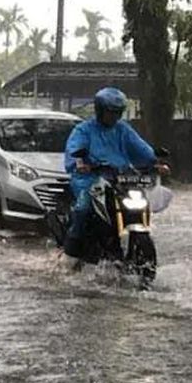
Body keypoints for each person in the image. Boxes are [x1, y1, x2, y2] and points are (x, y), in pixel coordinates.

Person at [61, 87, 164, 263]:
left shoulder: (123, 130)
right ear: (100, 110)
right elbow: (73, 151)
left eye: (118, 113)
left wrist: (154, 162)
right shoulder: (83, 130)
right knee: (83, 208)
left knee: (140, 202)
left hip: (120, 179)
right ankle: (71, 253)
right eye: (111, 112)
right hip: (89, 178)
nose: (114, 117)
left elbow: (140, 148)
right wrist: (81, 162)